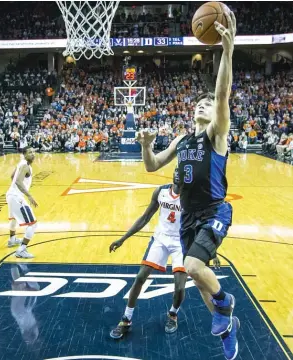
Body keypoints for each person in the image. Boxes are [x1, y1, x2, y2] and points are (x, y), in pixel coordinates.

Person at [135, 9, 239, 360]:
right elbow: (152, 168)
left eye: (208, 104)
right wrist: (147, 145)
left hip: (214, 210)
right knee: (198, 279)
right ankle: (226, 328)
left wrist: (227, 51)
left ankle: (226, 302)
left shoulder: (216, 135)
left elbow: (222, 93)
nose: (204, 104)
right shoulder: (182, 140)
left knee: (194, 268)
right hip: (188, 217)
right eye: (200, 102)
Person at [109, 168, 191, 338]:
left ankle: (173, 314)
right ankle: (126, 319)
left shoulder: (191, 197)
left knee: (180, 286)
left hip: (181, 242)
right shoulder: (160, 192)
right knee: (140, 277)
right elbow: (145, 217)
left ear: (188, 176)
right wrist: (123, 238)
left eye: (181, 171)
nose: (177, 173)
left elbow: (199, 224)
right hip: (160, 238)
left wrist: (210, 252)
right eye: (175, 170)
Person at [6, 146, 38, 258]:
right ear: (24, 154)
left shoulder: (21, 163)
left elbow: (12, 177)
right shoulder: (25, 166)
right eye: (30, 152)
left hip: (10, 194)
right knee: (33, 225)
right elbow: (19, 182)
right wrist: (29, 196)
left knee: (13, 218)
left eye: (34, 152)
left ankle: (12, 239)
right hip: (16, 196)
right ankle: (21, 250)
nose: (33, 154)